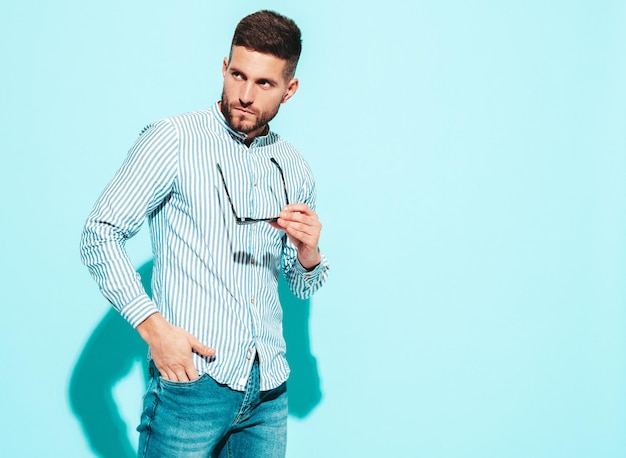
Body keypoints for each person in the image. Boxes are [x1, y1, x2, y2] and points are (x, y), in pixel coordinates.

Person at [80, 10, 329, 457]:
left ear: (289, 90)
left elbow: (299, 282)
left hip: (268, 388)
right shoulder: (173, 139)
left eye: (264, 84)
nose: (245, 95)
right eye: (238, 75)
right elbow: (99, 233)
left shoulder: (294, 167)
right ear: (224, 67)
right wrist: (155, 330)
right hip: (194, 384)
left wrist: (309, 252)